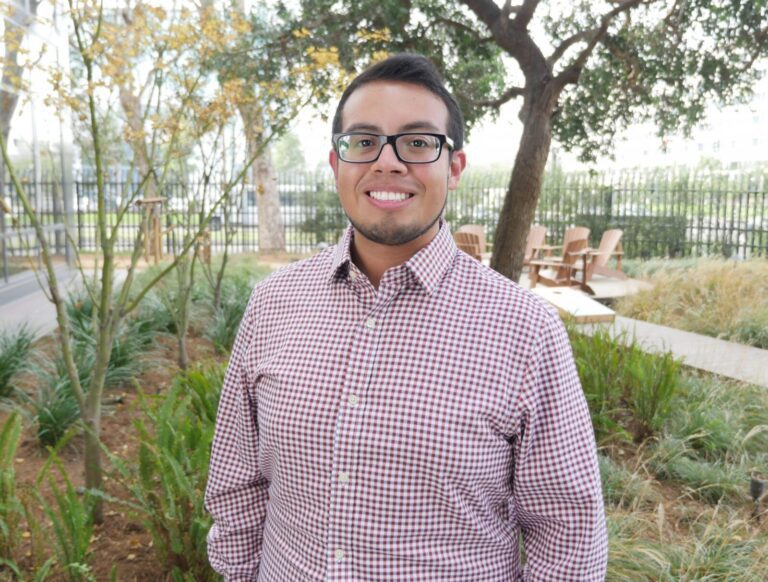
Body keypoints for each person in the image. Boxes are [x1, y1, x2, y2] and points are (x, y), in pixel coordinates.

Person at [205, 53, 607, 581]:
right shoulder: (273, 304)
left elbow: (569, 532)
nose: (388, 162)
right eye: (363, 141)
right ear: (337, 164)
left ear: (454, 168)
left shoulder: (525, 330)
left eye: (418, 143)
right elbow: (237, 483)